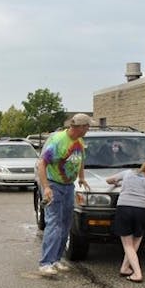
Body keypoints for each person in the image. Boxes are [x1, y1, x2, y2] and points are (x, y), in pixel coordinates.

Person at [36, 113, 94, 276]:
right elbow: (42, 164)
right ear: (80, 127)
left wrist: (81, 177)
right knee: (54, 223)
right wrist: (46, 187)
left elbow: (81, 159)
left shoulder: (79, 141)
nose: (88, 129)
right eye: (88, 126)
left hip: (69, 186)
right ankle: (45, 263)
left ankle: (56, 260)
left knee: (65, 224)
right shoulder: (58, 141)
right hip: (54, 185)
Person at [105, 162, 145, 283]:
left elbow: (108, 180)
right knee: (135, 243)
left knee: (127, 245)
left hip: (124, 208)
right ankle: (131, 270)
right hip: (142, 211)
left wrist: (116, 183)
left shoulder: (127, 173)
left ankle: (130, 270)